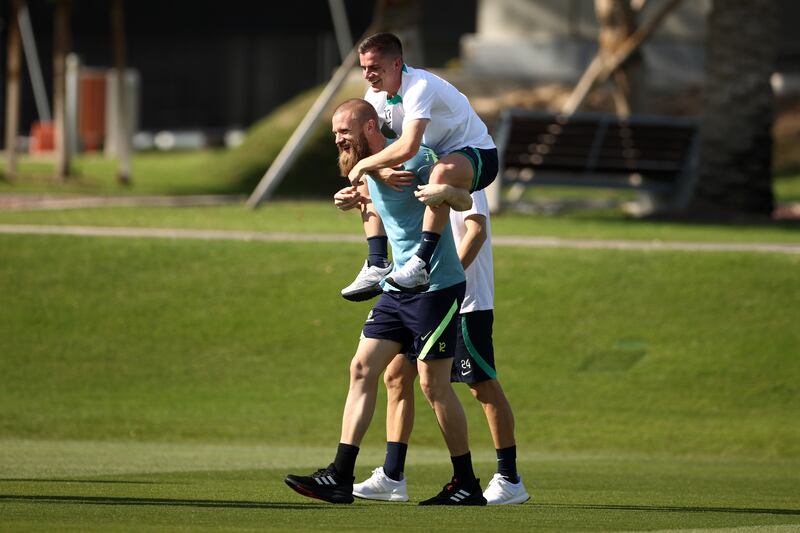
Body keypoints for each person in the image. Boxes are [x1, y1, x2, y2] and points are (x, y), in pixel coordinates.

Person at [285, 98, 486, 506]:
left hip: (436, 288)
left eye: (344, 130)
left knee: (434, 387)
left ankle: (466, 483)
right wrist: (354, 198)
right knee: (362, 367)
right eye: (335, 132)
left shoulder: (419, 158)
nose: (338, 138)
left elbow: (463, 201)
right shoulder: (369, 166)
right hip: (396, 288)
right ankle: (340, 475)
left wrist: (445, 191)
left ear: (370, 126)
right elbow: (374, 201)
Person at [342, 188, 531, 505]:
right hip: (421, 301)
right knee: (396, 376)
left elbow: (476, 231)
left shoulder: (463, 174)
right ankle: (392, 476)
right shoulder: (424, 169)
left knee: (480, 385)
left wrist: (442, 283)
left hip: (465, 301)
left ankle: (510, 478)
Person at [340, 32, 498, 300]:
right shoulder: (375, 94)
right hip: (432, 159)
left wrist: (365, 165)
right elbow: (369, 145)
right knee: (372, 177)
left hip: (475, 155)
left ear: (397, 64)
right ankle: (377, 261)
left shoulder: (419, 86)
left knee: (441, 174)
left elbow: (409, 146)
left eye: (375, 67)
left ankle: (420, 264)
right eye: (364, 67)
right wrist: (372, 174)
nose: (367, 75)